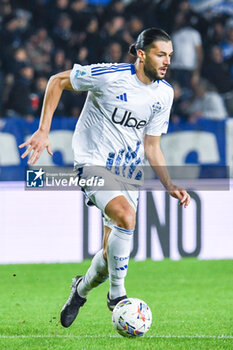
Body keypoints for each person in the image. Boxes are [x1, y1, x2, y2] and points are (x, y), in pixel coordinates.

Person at [19, 28, 190, 328]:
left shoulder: (164, 94)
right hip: (91, 163)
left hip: (128, 173)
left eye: (170, 56)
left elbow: (152, 146)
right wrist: (43, 129)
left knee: (109, 252)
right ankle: (117, 295)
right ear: (141, 54)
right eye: (160, 54)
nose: (167, 62)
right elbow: (57, 81)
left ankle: (80, 290)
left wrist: (170, 184)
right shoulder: (109, 76)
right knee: (127, 216)